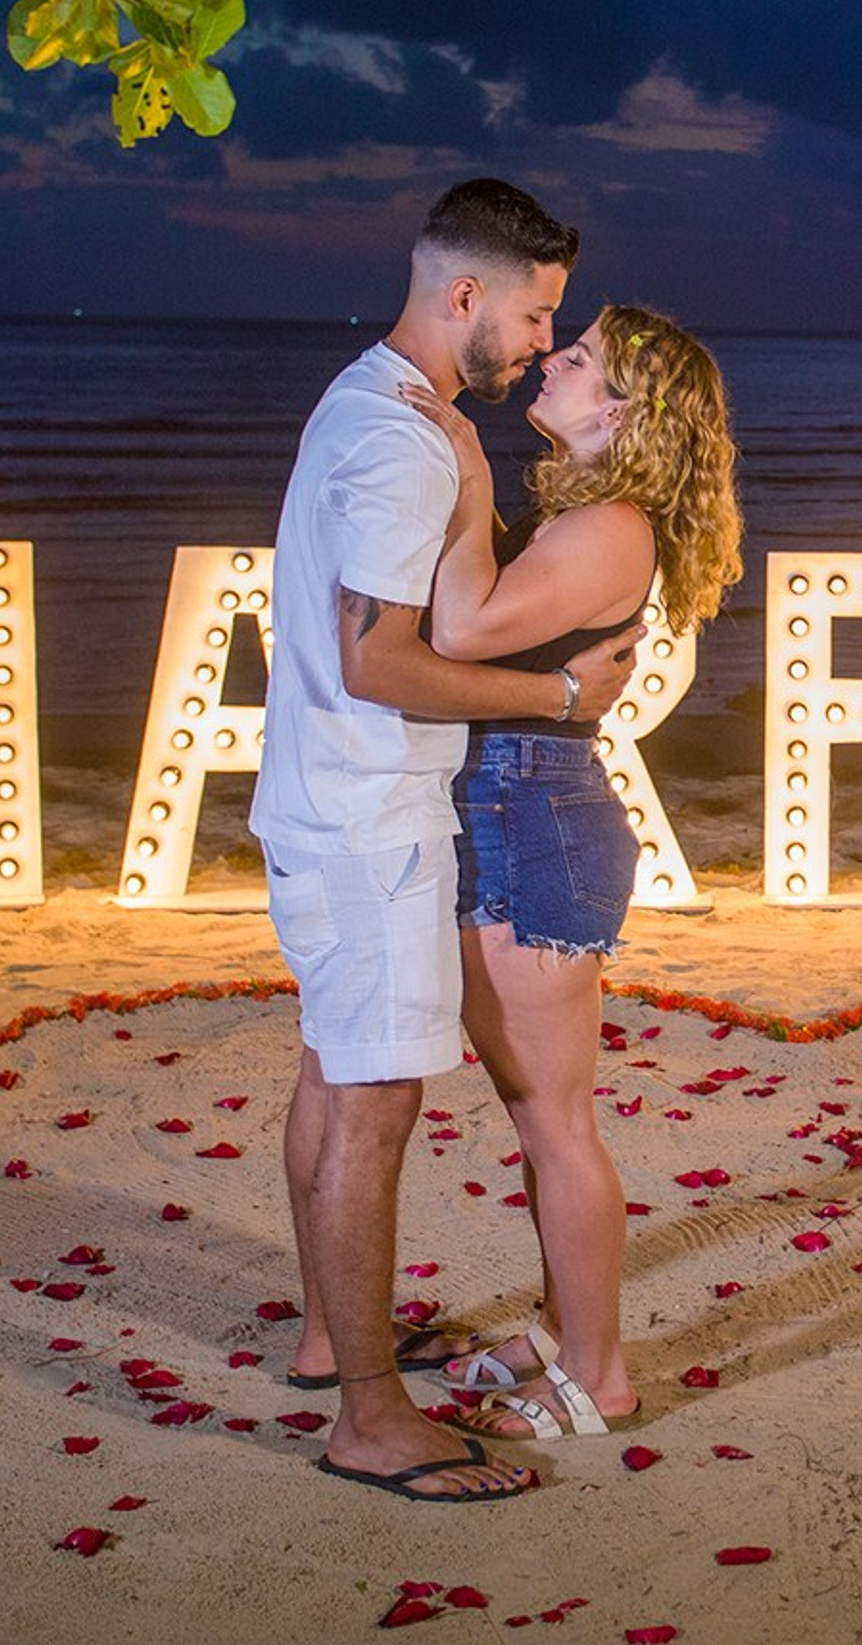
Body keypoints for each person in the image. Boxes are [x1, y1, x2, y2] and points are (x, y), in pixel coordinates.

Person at [250, 179, 638, 1503]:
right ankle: (370, 1415)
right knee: (371, 1103)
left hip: (330, 805)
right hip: (368, 820)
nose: (542, 340)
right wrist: (559, 698)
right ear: (464, 293)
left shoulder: (377, 405)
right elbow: (379, 660)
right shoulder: (407, 441)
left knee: (336, 1078)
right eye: (535, 314)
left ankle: (327, 1337)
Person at [398, 304, 742, 1440]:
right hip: (519, 806)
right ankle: (558, 1334)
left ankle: (597, 1379)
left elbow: (455, 626)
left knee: (557, 1120)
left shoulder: (609, 530)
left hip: (531, 814)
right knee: (536, 1106)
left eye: (581, 358)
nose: (555, 358)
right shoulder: (600, 519)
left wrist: (454, 463)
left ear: (627, 412)